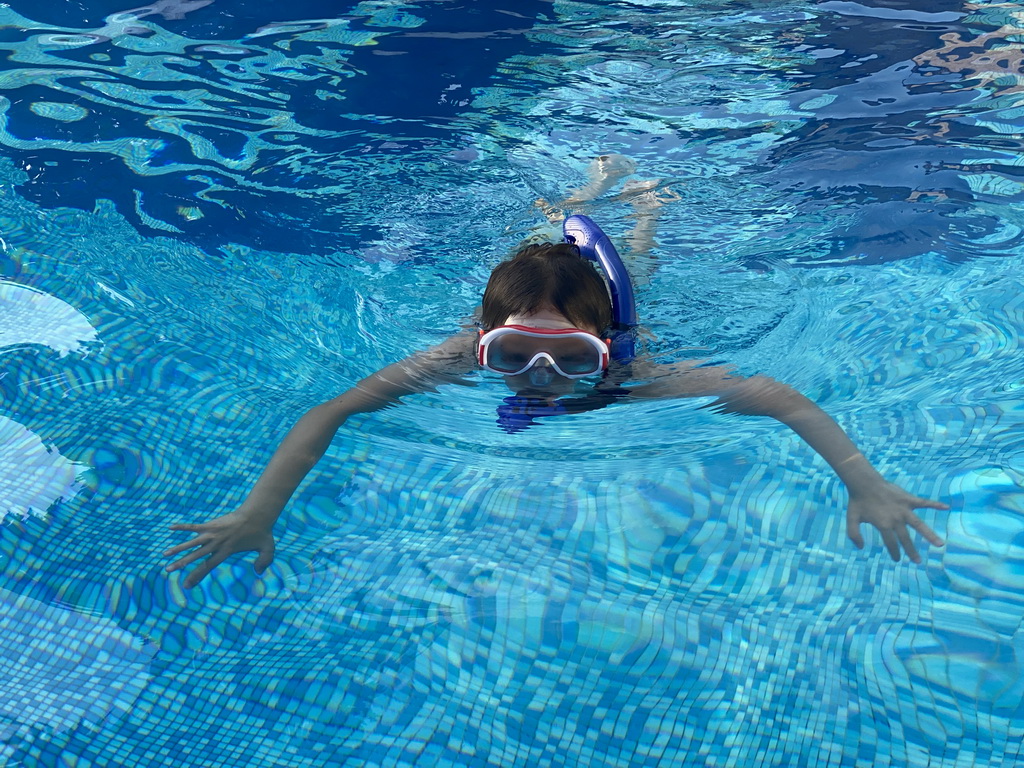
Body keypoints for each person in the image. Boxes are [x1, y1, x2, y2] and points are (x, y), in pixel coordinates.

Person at [164, 160, 947, 588]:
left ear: (607, 349)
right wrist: (259, 513)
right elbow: (329, 414)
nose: (540, 376)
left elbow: (776, 397)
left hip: (616, 293)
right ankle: (581, 196)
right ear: (481, 345)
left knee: (639, 259)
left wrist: (863, 481)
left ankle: (643, 207)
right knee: (537, 242)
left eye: (572, 360)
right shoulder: (448, 357)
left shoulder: (639, 371)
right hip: (531, 294)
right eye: (513, 355)